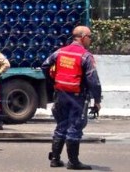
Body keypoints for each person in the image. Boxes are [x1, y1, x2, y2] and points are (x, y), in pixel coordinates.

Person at [42, 26, 102, 170]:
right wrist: (98, 100)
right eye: (90, 36)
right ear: (82, 37)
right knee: (75, 127)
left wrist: (54, 82)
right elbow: (93, 80)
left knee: (61, 125)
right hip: (77, 97)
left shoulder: (60, 52)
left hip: (60, 95)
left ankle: (55, 159)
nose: (90, 39)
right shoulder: (85, 56)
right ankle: (73, 162)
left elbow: (45, 65)